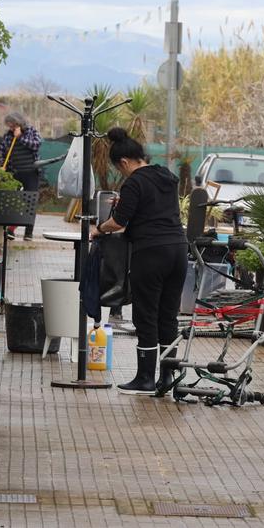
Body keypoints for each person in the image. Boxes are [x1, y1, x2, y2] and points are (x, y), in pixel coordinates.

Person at [91, 127, 187, 395]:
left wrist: (98, 228)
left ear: (124, 162)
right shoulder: (167, 176)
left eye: (119, 168)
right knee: (168, 316)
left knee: (146, 315)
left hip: (151, 252)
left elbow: (118, 222)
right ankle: (168, 378)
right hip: (178, 250)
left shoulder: (134, 182)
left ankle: (145, 378)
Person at [0, 111, 42, 239]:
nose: (10, 128)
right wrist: (1, 166)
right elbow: (2, 152)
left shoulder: (31, 132)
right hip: (14, 173)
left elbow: (36, 145)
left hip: (31, 173)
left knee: (30, 202)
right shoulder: (7, 136)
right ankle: (11, 229)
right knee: (14, 201)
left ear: (19, 123)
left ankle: (28, 232)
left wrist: (20, 137)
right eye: (9, 126)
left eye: (12, 125)